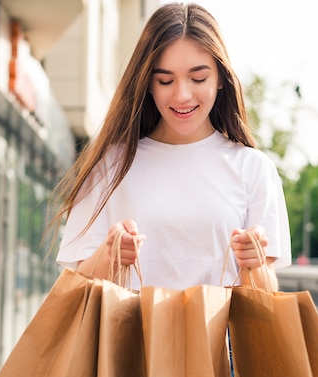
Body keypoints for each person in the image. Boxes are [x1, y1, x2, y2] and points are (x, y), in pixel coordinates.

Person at [45, 2, 291, 293]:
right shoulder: (111, 163)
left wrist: (256, 264)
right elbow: (73, 287)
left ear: (222, 79)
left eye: (198, 78)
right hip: (132, 337)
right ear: (148, 83)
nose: (182, 95)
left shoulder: (253, 168)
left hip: (216, 339)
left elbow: (265, 296)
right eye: (165, 80)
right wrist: (108, 255)